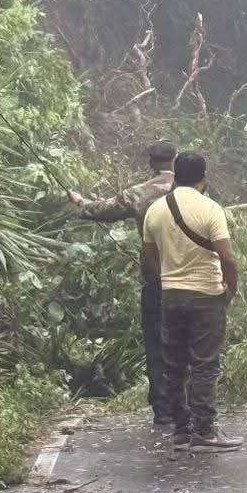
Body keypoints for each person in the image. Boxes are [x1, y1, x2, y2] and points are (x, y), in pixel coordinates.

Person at [68, 142, 177, 426]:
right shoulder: (193, 190)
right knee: (188, 342)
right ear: (175, 160)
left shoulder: (140, 193)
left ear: (151, 163)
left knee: (156, 342)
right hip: (191, 280)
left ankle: (163, 408)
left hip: (156, 279)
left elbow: (102, 210)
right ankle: (188, 404)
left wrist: (80, 202)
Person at [142, 151, 242, 453]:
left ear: (175, 175)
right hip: (206, 296)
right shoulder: (210, 209)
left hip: (171, 296)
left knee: (174, 365)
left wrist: (166, 283)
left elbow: (148, 260)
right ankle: (205, 430)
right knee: (204, 364)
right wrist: (230, 289)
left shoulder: (155, 210)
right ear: (204, 179)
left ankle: (182, 431)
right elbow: (227, 257)